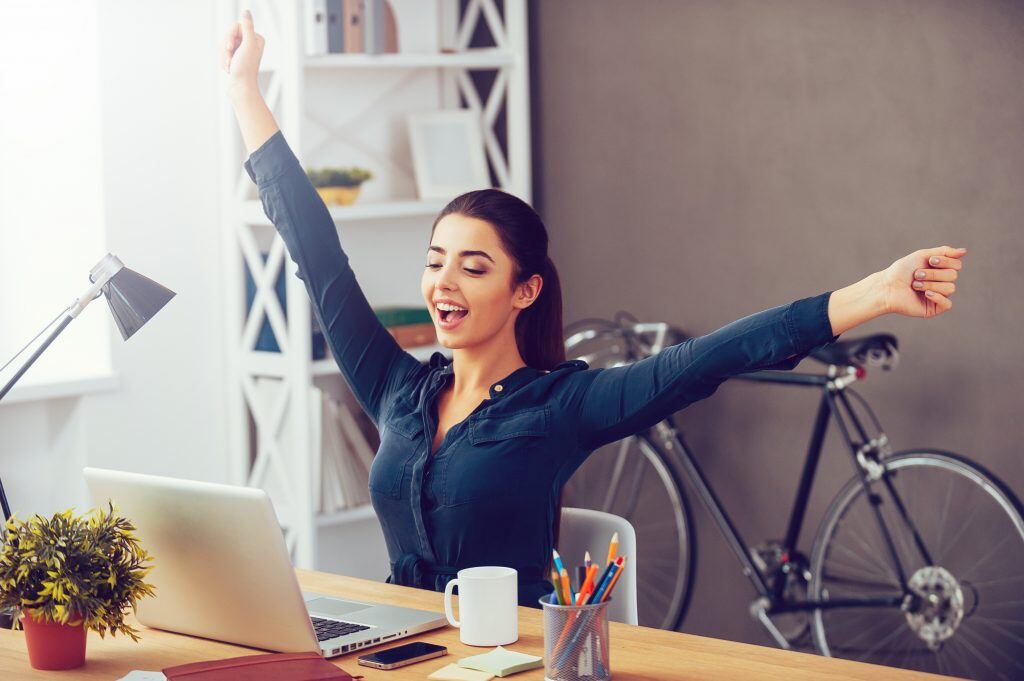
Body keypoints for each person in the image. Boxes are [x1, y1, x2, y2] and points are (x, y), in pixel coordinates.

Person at [221, 11, 967, 607]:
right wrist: (246, 93)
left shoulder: (562, 406)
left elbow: (709, 359)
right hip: (401, 657)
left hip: (509, 664)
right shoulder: (398, 391)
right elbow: (318, 256)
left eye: (473, 266)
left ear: (525, 289)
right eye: (435, 260)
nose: (444, 282)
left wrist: (872, 294)